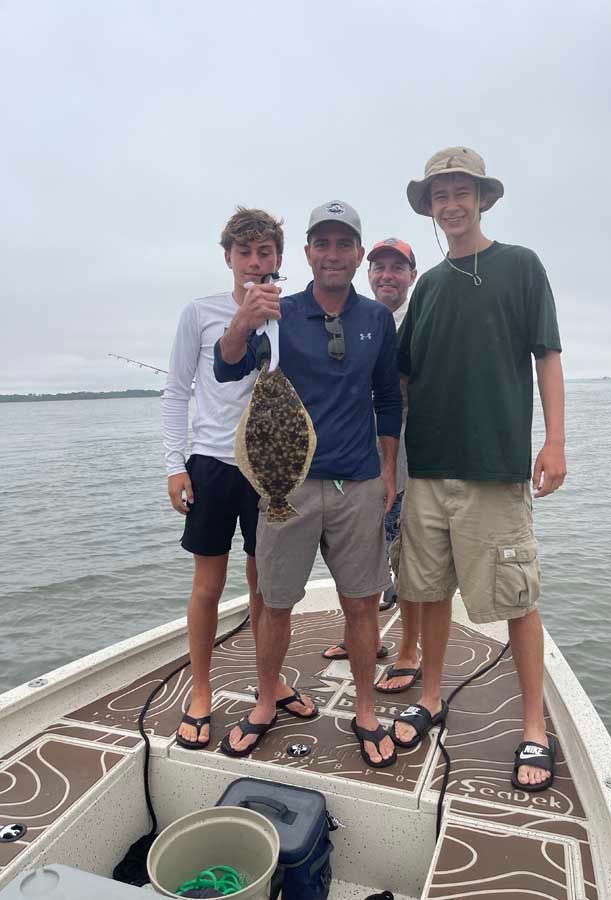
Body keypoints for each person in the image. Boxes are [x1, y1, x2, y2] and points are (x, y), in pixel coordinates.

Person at [394, 147, 566, 792]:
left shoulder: (520, 265)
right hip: (428, 471)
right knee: (428, 592)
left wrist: (555, 442)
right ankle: (430, 697)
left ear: (483, 198)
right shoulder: (429, 287)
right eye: (440, 196)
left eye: (460, 192)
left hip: (496, 468)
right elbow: (399, 376)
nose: (451, 204)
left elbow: (546, 355)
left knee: (518, 600)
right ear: (431, 208)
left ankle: (532, 725)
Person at [214, 201, 402, 768]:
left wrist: (389, 469)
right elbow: (227, 367)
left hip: (358, 484)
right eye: (323, 244)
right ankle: (267, 700)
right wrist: (244, 320)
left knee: (362, 604)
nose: (334, 255)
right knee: (274, 604)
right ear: (308, 254)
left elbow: (388, 399)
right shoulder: (277, 311)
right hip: (284, 487)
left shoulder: (377, 319)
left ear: (359, 254)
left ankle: (365, 710)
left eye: (345, 244)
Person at [162, 207, 316, 750]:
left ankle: (269, 684)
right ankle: (200, 689)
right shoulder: (199, 313)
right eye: (244, 252)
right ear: (227, 256)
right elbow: (177, 390)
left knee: (266, 588)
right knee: (208, 585)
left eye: (265, 252)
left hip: (270, 468)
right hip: (210, 462)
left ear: (278, 257)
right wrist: (174, 464)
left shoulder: (295, 314)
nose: (255, 262)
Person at [321, 237, 423, 694]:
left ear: (411, 276)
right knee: (357, 556)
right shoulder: (357, 320)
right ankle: (358, 639)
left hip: (407, 460)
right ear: (368, 272)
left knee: (410, 560)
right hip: (358, 462)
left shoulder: (417, 322)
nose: (387, 275)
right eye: (380, 267)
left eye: (397, 268)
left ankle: (408, 651)